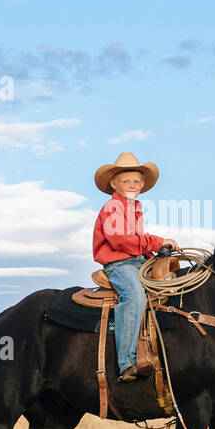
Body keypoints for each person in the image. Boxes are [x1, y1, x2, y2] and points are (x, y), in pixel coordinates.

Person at [91, 152, 175, 381]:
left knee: (170, 288)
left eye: (137, 182)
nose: (132, 185)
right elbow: (120, 240)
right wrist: (158, 242)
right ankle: (126, 362)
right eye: (126, 181)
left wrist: (156, 252)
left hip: (136, 261)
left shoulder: (134, 208)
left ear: (143, 185)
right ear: (113, 183)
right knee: (135, 296)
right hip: (119, 264)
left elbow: (137, 241)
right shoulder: (112, 207)